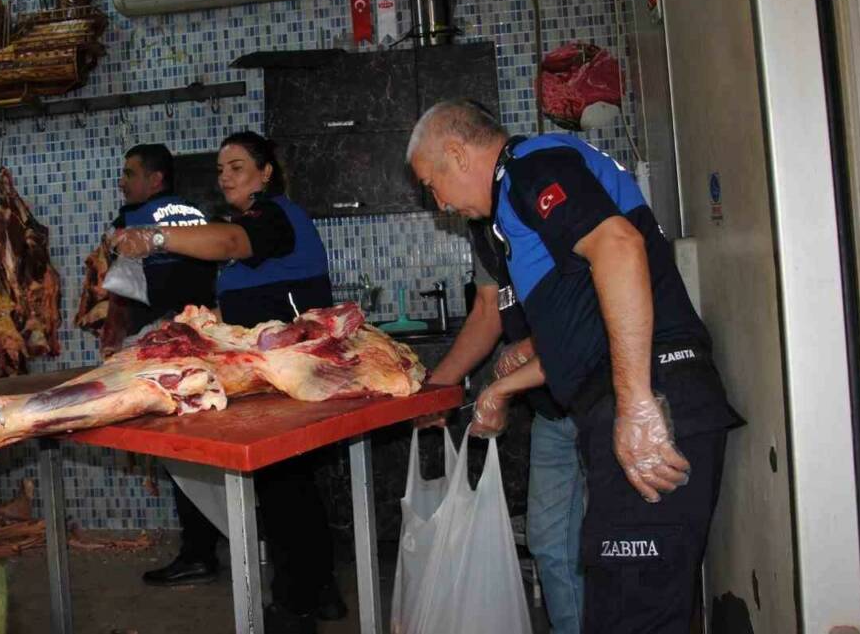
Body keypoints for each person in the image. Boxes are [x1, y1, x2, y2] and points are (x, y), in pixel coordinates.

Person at [407, 100, 741, 634]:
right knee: (626, 604)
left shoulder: (529, 169)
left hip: (652, 401)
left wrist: (636, 404)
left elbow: (619, 246)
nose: (439, 202)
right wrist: (502, 388)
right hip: (625, 401)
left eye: (432, 184)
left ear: (457, 153)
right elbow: (583, 331)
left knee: (634, 612)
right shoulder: (515, 206)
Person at [111, 131, 344, 634]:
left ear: (266, 172)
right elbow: (249, 303)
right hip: (273, 373)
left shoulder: (273, 215)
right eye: (221, 170)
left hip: (296, 370)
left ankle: (295, 607)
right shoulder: (253, 227)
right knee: (287, 483)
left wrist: (155, 237)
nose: (224, 177)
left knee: (283, 487)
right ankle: (319, 591)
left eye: (237, 167)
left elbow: (231, 241)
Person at [418, 217, 586, 634]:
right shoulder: (483, 231)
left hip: (602, 402)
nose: (440, 202)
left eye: (434, 186)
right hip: (552, 410)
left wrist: (530, 349)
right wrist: (436, 392)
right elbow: (487, 310)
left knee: (608, 546)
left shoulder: (539, 205)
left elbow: (595, 294)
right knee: (549, 544)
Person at [109, 143, 222, 587]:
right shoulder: (194, 213)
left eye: (130, 173)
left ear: (155, 179)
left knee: (180, 451)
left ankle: (198, 553)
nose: (123, 182)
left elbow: (117, 286)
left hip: (162, 347)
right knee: (205, 449)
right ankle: (224, 541)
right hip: (202, 337)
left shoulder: (135, 217)